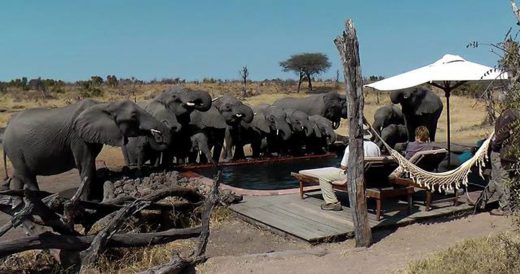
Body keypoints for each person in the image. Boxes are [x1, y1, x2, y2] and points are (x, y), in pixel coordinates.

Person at [319, 124, 381, 211]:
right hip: (371, 178)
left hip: (356, 176)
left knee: (323, 177)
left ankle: (332, 202)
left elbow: (343, 166)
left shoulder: (352, 146)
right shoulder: (375, 146)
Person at [485, 108, 520, 216]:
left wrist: (494, 144)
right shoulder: (516, 113)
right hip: (513, 152)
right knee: (502, 177)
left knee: (500, 179)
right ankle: (481, 202)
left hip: (502, 151)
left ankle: (504, 207)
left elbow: (502, 132)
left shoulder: (509, 113)